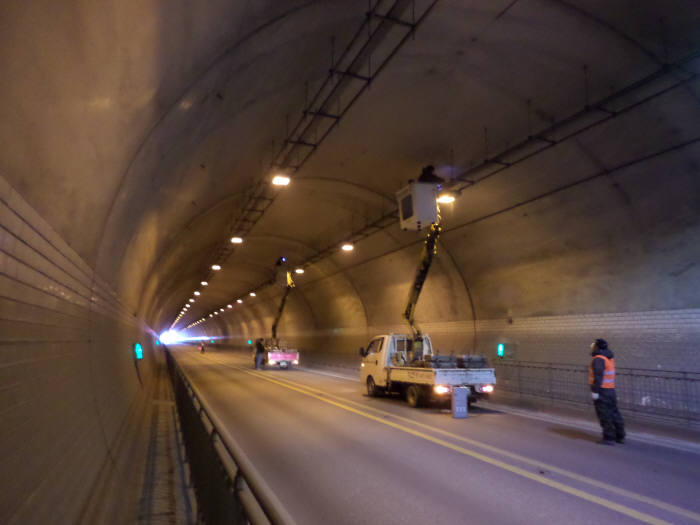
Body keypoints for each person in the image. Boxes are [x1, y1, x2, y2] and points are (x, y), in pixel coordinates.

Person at [589, 338, 625, 445]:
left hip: (602, 391)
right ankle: (620, 436)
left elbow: (598, 376)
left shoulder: (599, 359)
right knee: (614, 413)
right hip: (610, 390)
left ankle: (608, 437)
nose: (592, 348)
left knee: (604, 414)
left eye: (593, 346)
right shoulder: (609, 358)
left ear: (597, 347)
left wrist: (595, 391)